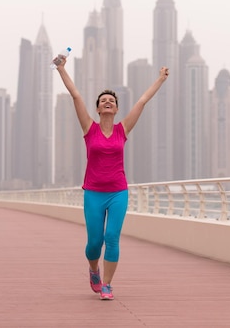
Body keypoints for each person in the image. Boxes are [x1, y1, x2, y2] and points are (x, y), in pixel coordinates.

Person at [54, 53, 169, 300]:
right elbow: (76, 95)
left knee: (112, 238)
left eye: (111, 101)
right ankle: (93, 270)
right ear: (97, 108)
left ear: (116, 109)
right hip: (94, 193)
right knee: (95, 242)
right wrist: (62, 69)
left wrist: (160, 79)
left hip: (118, 192)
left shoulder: (123, 129)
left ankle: (106, 285)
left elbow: (142, 101)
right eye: (103, 100)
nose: (107, 102)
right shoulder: (89, 128)